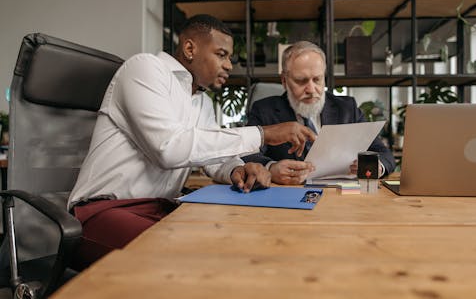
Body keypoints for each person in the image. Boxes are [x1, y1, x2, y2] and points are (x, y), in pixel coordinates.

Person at [68, 15, 316, 270]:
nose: (229, 65)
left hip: (164, 208)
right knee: (196, 259)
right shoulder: (145, 69)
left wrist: (237, 169)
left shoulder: (202, 102)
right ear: (189, 49)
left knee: (239, 240)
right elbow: (169, 149)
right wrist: (263, 134)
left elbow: (214, 159)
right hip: (104, 212)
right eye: (221, 54)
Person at [243, 41, 396, 185]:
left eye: (317, 79)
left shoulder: (347, 108)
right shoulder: (264, 110)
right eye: (301, 81)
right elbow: (247, 154)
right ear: (284, 80)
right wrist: (271, 167)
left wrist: (377, 165)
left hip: (340, 196)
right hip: (288, 195)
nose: (311, 90)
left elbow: (383, 152)